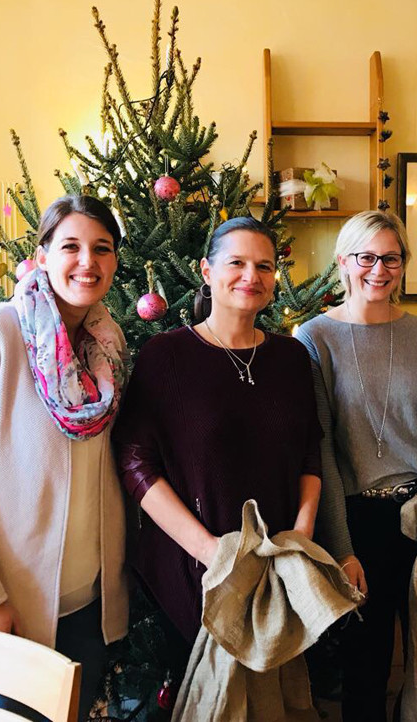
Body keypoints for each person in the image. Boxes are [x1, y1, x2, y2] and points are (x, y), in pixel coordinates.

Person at [0, 194, 130, 721]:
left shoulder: (106, 345)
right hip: (3, 602)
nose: (88, 261)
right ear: (41, 256)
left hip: (85, 602)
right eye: (71, 247)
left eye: (102, 249)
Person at [111, 215, 322, 661]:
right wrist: (212, 553)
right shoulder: (165, 355)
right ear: (207, 271)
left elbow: (310, 453)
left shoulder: (291, 357)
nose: (252, 277)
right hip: (195, 570)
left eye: (265, 266)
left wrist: (299, 540)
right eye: (237, 263)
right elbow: (135, 462)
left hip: (278, 570)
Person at [294, 210, 417, 721]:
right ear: (343, 262)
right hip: (357, 520)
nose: (379, 269)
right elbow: (320, 447)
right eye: (365, 257)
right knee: (365, 670)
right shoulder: (315, 337)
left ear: (403, 264)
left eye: (390, 258)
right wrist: (343, 546)